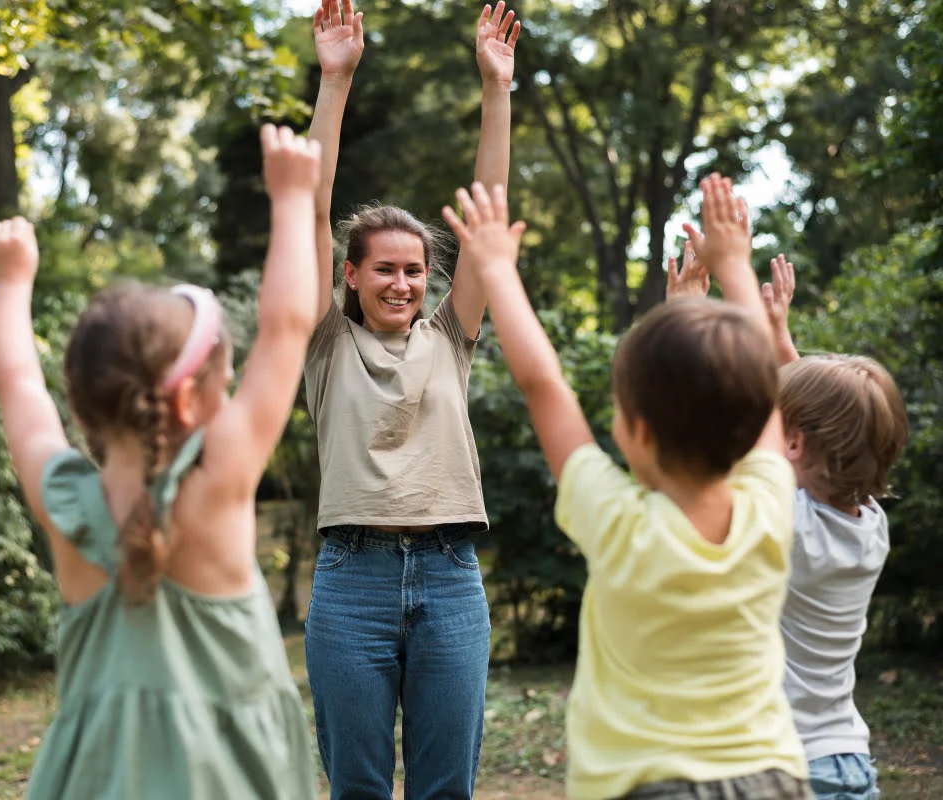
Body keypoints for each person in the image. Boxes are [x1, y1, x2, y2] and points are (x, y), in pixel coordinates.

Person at [0, 125, 322, 800]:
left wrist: (11, 283)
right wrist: (291, 197)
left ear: (81, 398)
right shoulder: (218, 482)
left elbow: (18, 383)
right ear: (193, 400)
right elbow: (286, 327)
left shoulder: (65, 499)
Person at [443, 176, 811, 799]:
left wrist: (498, 269)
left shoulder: (618, 524)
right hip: (772, 779)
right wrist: (732, 267)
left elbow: (544, 384)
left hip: (645, 786)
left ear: (636, 430)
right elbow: (761, 389)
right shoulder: (771, 505)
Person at [301, 1, 520, 797]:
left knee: (444, 790)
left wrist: (496, 90)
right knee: (356, 787)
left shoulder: (448, 340)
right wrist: (336, 78)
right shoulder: (324, 341)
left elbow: (487, 216)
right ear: (350, 274)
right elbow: (307, 208)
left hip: (450, 576)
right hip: (351, 580)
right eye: (384, 268)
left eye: (415, 270)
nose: (403, 282)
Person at [761, 255, 908, 800]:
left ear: (794, 443)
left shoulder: (786, 522)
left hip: (786, 769)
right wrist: (779, 333)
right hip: (847, 762)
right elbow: (836, 421)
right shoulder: (871, 527)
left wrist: (701, 301)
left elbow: (782, 431)